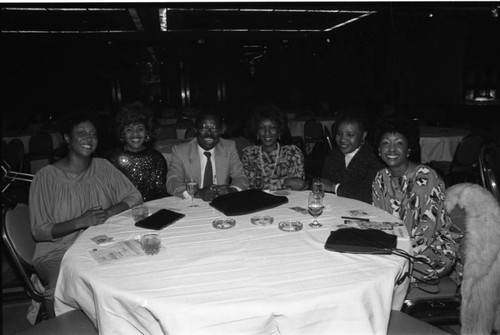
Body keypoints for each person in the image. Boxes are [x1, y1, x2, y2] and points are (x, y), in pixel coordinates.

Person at [29, 111, 142, 318]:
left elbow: (134, 196)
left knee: (136, 267)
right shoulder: (46, 177)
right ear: (67, 139)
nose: (88, 138)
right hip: (58, 251)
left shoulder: (103, 167)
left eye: (93, 134)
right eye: (81, 133)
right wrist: (80, 221)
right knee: (62, 287)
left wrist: (108, 212)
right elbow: (40, 230)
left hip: (100, 243)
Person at [372, 117, 463, 282]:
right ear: (379, 149)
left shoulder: (426, 178)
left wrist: (392, 255)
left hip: (433, 249)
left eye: (399, 143)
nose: (391, 149)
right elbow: (380, 221)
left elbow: (426, 233)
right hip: (396, 248)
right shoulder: (380, 178)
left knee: (384, 277)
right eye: (386, 143)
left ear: (409, 149)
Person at [166, 111, 249, 201]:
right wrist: (197, 193)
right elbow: (172, 181)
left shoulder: (228, 147)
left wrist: (231, 190)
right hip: (192, 202)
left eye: (214, 129)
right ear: (196, 130)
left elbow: (240, 177)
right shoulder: (181, 151)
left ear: (221, 131)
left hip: (221, 203)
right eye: (204, 128)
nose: (209, 134)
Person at [107, 101, 169, 201]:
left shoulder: (156, 158)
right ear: (122, 133)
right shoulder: (111, 160)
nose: (135, 134)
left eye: (140, 129)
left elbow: (161, 193)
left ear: (147, 132)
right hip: (123, 211)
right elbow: (110, 195)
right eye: (129, 129)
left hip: (153, 210)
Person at [321, 110, 384, 204]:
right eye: (339, 134)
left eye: (350, 135)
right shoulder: (334, 155)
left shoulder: (373, 160)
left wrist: (333, 187)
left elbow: (371, 195)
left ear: (363, 136)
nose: (342, 139)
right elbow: (324, 183)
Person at [241, 104, 307, 191]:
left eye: (272, 127)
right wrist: (285, 182)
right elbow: (249, 183)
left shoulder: (292, 153)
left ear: (279, 131)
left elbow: (298, 184)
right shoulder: (250, 154)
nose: (267, 132)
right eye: (262, 128)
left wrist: (267, 184)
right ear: (256, 131)